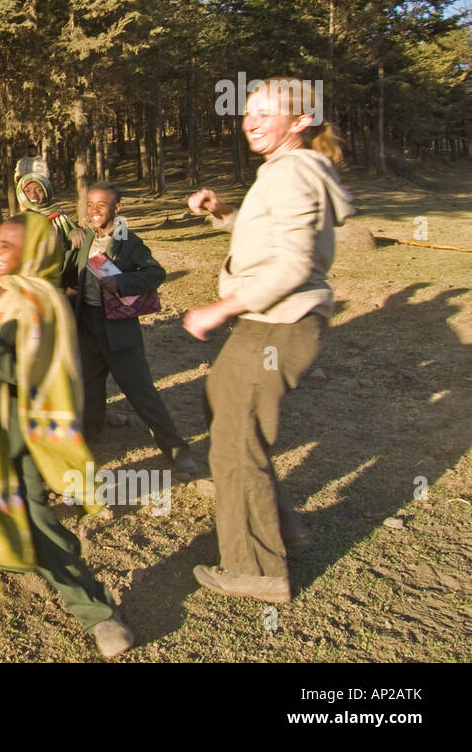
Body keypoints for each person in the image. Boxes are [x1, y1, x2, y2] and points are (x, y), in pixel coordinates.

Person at [0, 213, 134, 658]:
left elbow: (29, 377)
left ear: (33, 252)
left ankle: (98, 615)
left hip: (20, 432)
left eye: (8, 246)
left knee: (35, 522)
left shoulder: (43, 305)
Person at [184, 78, 354, 605]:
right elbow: (270, 239)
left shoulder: (294, 171)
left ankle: (256, 568)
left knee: (236, 441)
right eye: (247, 112)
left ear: (301, 120)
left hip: (276, 324)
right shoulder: (285, 170)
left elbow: (293, 262)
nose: (250, 121)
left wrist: (222, 307)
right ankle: (281, 525)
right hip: (274, 323)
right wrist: (222, 214)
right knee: (226, 415)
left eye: (265, 112)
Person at [64, 182, 198, 475]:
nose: (95, 211)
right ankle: (89, 439)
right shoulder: (85, 237)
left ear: (117, 208)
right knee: (89, 388)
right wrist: (71, 239)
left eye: (102, 205)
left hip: (118, 330)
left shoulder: (128, 241)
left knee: (140, 391)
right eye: (90, 205)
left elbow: (155, 273)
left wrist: (121, 282)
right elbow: (68, 271)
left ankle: (176, 449)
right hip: (86, 326)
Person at [16, 172, 83, 252]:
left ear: (47, 191)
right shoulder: (17, 222)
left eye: (39, 190)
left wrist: (75, 232)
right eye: (27, 191)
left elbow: (70, 233)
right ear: (21, 194)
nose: (33, 194)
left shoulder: (58, 215)